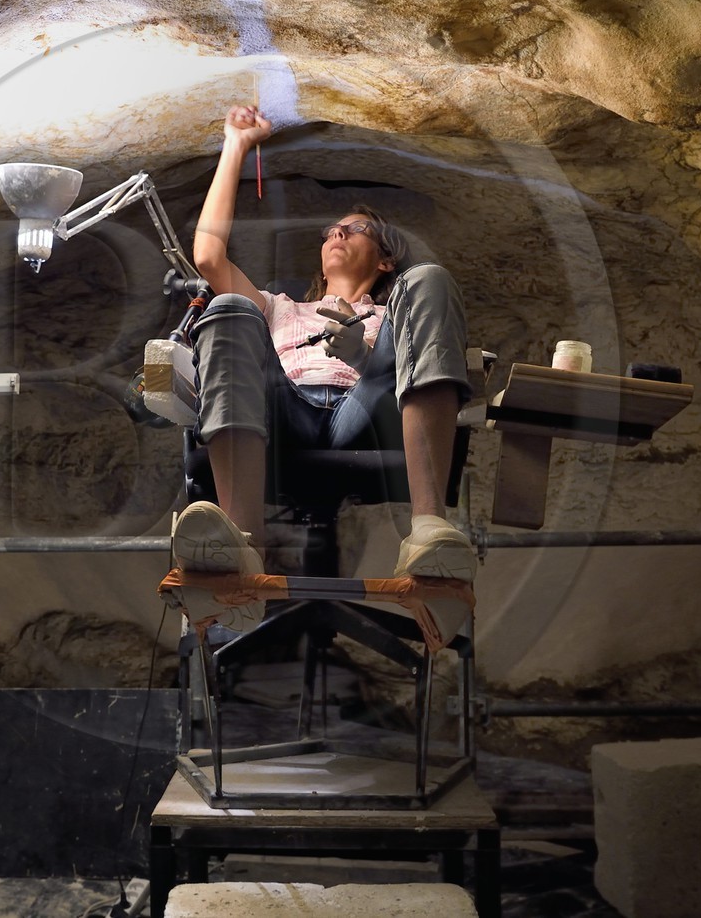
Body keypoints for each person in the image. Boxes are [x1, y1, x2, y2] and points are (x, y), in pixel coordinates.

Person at [170, 104, 479, 633]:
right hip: (284, 411)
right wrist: (236, 145)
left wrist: (363, 353)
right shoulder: (281, 307)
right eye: (331, 229)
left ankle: (429, 533)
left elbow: (400, 366)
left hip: (362, 414)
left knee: (428, 279)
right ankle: (241, 551)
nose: (337, 233)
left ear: (383, 259)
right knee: (227, 308)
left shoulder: (394, 308)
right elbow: (208, 257)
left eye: (355, 229)